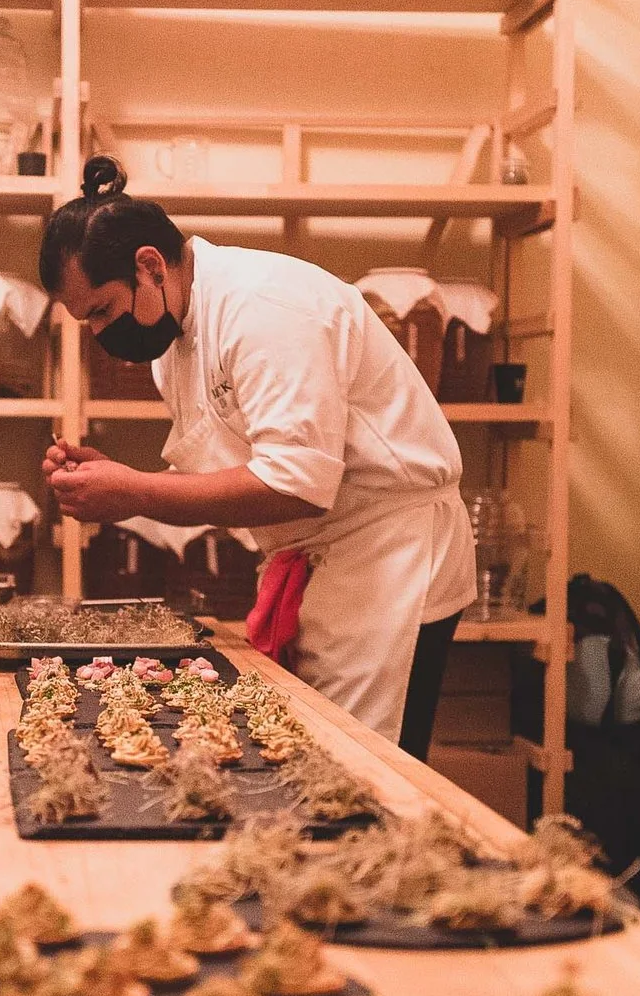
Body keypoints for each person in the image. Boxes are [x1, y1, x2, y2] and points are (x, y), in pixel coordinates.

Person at [34, 156, 475, 752]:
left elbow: (294, 484)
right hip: (318, 560)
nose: (99, 334)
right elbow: (224, 474)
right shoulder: (177, 338)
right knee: (307, 752)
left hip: (387, 558)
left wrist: (132, 491)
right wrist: (111, 479)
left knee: (363, 766)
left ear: (150, 265)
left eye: (103, 310)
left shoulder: (265, 308)